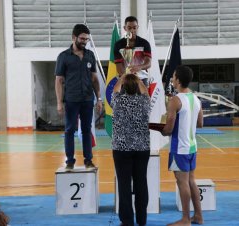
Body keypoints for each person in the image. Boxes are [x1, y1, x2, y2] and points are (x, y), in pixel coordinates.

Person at [55, 24, 102, 170]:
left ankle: (88, 160)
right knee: (69, 130)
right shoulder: (63, 57)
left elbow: (94, 79)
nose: (84, 41)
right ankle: (70, 161)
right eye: (82, 39)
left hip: (88, 99)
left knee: (87, 130)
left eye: (86, 39)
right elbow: (59, 80)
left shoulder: (90, 55)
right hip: (71, 100)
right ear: (73, 37)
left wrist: (99, 98)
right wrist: (59, 103)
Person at [161, 65, 204, 226]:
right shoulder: (196, 98)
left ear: (178, 80)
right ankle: (198, 216)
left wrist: (159, 129)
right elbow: (200, 123)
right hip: (192, 146)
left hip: (179, 147)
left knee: (182, 182)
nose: (172, 79)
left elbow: (169, 128)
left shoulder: (175, 100)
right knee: (191, 180)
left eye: (173, 76)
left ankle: (186, 219)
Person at [111, 73, 150, 226]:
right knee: (141, 183)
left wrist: (122, 77)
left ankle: (127, 221)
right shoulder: (144, 101)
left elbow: (114, 90)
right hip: (142, 148)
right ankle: (142, 220)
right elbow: (145, 91)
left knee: (124, 185)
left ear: (124, 88)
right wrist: (139, 79)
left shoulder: (118, 101)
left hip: (121, 149)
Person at [114, 16, 151, 87]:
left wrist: (139, 67)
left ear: (137, 27)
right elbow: (119, 68)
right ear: (125, 28)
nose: (132, 30)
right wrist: (127, 77)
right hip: (125, 79)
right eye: (129, 28)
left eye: (134, 28)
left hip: (142, 78)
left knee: (143, 98)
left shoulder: (144, 43)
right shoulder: (118, 45)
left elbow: (148, 63)